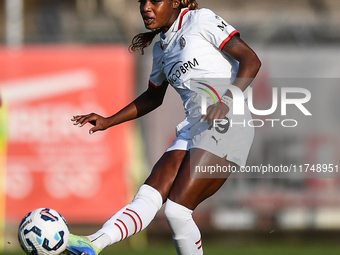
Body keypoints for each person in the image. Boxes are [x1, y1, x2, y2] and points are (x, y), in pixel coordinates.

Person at [64, 0, 261, 255]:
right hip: (194, 128)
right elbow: (153, 97)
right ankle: (93, 244)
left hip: (228, 122)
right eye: (141, 1)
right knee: (148, 195)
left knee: (177, 211)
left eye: (154, 0)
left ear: (176, 2)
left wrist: (226, 101)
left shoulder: (200, 20)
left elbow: (251, 60)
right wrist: (108, 120)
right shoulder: (161, 48)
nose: (146, 7)